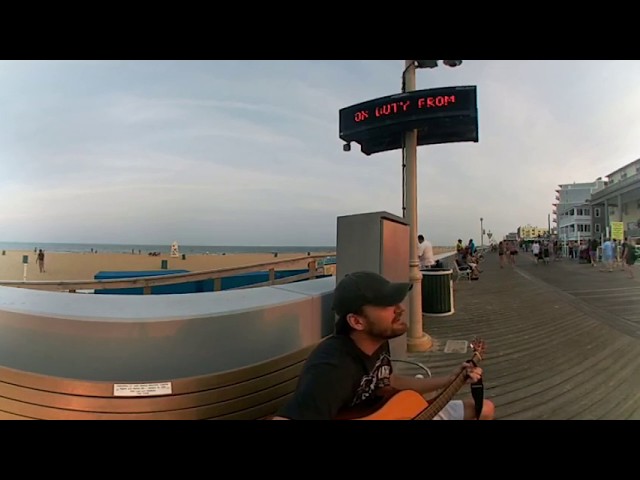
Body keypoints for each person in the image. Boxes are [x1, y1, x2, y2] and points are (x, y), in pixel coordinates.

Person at [271, 271, 495, 420]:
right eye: (387, 304)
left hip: (390, 410)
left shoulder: (377, 340)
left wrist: (449, 380)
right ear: (357, 321)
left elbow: (388, 381)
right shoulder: (332, 367)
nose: (400, 309)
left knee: (484, 409)